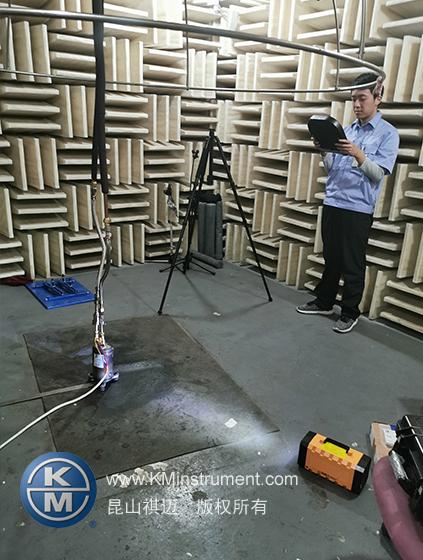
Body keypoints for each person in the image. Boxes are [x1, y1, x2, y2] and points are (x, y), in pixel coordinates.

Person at [296, 72, 400, 333]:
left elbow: (378, 174)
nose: (356, 104)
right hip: (333, 202)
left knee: (353, 264)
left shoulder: (388, 134)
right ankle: (325, 301)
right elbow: (333, 169)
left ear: (377, 98)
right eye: (353, 99)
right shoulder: (346, 130)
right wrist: (324, 150)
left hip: (358, 208)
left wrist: (357, 153)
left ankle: (350, 311)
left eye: (362, 98)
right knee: (331, 258)